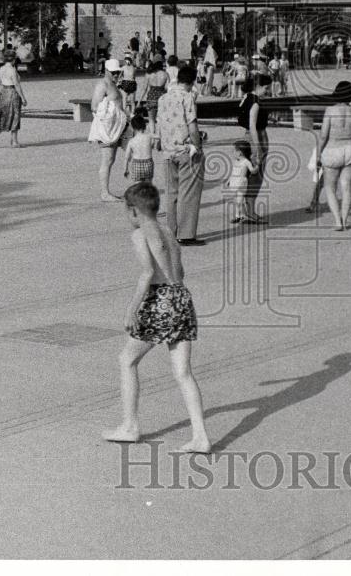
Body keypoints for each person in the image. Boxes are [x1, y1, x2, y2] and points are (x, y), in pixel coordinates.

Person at [103, 182, 209, 451]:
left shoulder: (141, 234)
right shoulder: (168, 233)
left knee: (127, 359)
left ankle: (130, 426)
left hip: (160, 300)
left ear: (133, 211)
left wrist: (132, 310)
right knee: (183, 372)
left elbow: (148, 273)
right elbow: (180, 273)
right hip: (182, 298)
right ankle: (200, 437)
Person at [156, 63, 205, 246]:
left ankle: (171, 232)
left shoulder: (163, 98)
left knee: (172, 193)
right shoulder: (187, 97)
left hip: (168, 151)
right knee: (189, 192)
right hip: (186, 150)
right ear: (191, 82)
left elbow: (159, 124)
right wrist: (198, 146)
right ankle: (186, 234)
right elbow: (192, 126)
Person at [318, 81, 351, 231]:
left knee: (330, 188)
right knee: (346, 188)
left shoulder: (330, 110)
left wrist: (318, 154)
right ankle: (345, 220)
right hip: (349, 148)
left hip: (332, 148)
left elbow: (323, 135)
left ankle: (337, 221)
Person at [89, 58, 129, 201]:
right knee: (108, 159)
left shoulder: (113, 83)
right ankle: (105, 193)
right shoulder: (102, 85)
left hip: (120, 125)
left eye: (118, 72)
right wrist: (110, 106)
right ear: (106, 71)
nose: (116, 75)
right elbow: (94, 106)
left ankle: (137, 188)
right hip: (108, 128)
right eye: (113, 72)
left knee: (134, 151)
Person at [237, 77, 269, 221]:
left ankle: (243, 210)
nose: (267, 91)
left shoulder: (245, 98)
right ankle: (250, 211)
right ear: (258, 86)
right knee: (256, 175)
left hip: (246, 137)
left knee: (246, 174)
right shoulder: (255, 102)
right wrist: (257, 149)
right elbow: (253, 125)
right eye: (266, 88)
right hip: (257, 137)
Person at [0, 48, 28, 147]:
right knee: (15, 116)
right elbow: (17, 85)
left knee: (3, 115)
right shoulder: (12, 70)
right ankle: (14, 141)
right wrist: (23, 98)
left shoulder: (1, 69)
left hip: (4, 92)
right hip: (13, 92)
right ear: (14, 59)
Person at [225, 140, 260, 223]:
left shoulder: (246, 162)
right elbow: (233, 171)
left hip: (241, 183)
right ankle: (239, 215)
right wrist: (229, 180)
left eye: (234, 151)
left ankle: (240, 216)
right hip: (234, 181)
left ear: (240, 152)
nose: (232, 152)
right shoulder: (236, 161)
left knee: (239, 200)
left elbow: (252, 170)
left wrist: (257, 166)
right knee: (235, 200)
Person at [123, 113, 159, 183]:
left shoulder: (131, 141)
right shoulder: (149, 136)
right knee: (148, 186)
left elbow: (126, 157)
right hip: (148, 163)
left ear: (133, 127)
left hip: (136, 164)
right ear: (144, 125)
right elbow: (160, 136)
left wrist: (126, 169)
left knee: (137, 187)